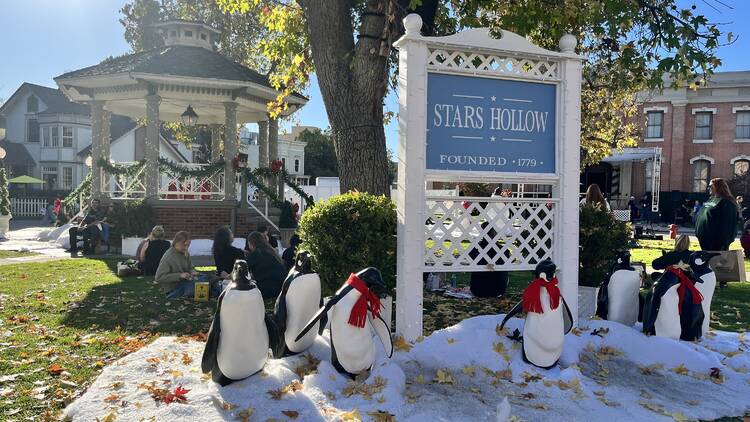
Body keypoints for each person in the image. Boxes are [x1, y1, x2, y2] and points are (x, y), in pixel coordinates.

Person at [155, 231, 219, 299]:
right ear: (176, 242)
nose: (186, 248)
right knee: (199, 284)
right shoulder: (168, 256)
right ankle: (211, 292)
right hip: (175, 288)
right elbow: (159, 277)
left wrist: (192, 271)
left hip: (187, 281)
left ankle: (215, 292)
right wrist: (180, 275)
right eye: (184, 245)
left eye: (188, 245)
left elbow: (190, 267)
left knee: (211, 277)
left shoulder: (185, 252)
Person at [696, 178, 738, 251]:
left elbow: (729, 224)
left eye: (711, 186)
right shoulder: (711, 199)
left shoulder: (727, 203)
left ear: (719, 187)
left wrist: (724, 242)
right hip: (704, 240)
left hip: (716, 244)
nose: (708, 188)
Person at [245, 231, 286, 299]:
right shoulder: (272, 252)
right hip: (281, 288)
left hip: (266, 289)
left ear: (251, 243)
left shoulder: (255, 254)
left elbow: (241, 270)